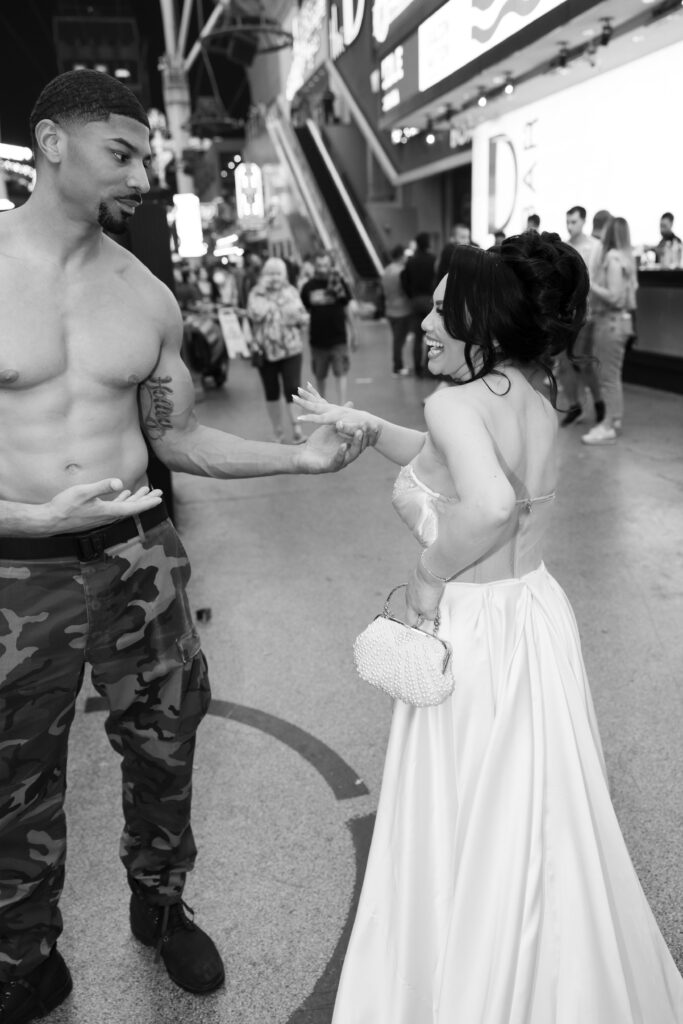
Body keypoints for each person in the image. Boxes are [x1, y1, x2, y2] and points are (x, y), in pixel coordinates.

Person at [0, 69, 371, 1024]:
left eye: (146, 155)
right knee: (16, 771)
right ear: (49, 145)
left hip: (138, 557)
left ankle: (160, 909)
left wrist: (302, 463)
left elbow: (179, 440)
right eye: (120, 152)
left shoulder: (148, 297)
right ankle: (25, 953)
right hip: (18, 571)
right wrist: (26, 520)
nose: (141, 173)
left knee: (163, 747)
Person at [294, 231, 683, 1022]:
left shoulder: (454, 402)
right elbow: (444, 464)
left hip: (471, 628)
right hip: (532, 617)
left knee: (465, 810)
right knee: (541, 809)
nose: (427, 324)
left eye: (444, 311)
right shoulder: (529, 395)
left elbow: (487, 506)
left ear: (489, 321)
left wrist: (427, 577)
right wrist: (362, 420)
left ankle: (466, 976)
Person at [582, 216, 638, 445]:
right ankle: (614, 420)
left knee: (608, 378)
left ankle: (608, 425)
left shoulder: (614, 260)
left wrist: (591, 284)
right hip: (619, 324)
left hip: (610, 323)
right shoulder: (626, 259)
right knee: (613, 376)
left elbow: (614, 296)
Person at [246, 256, 310, 443]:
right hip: (265, 351)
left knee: (293, 388)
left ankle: (297, 428)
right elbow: (255, 313)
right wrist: (268, 296)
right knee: (271, 390)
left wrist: (298, 316)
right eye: (270, 273)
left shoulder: (291, 291)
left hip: (291, 349)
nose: (274, 277)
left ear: (284, 274)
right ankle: (277, 431)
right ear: (264, 275)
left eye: (278, 273)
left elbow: (299, 315)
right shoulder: (256, 293)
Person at [556, 205, 605, 426]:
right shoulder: (564, 247)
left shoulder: (596, 247)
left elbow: (599, 281)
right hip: (566, 313)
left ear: (583, 221)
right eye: (568, 222)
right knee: (564, 361)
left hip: (588, 314)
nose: (570, 226)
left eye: (574, 222)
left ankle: (598, 401)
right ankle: (575, 404)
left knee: (583, 360)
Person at [300, 252, 353, 404]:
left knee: (341, 372)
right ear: (314, 266)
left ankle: (343, 406)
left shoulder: (339, 283)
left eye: (325, 265)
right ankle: (322, 404)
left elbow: (346, 308)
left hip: (338, 338)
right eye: (319, 265)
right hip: (317, 341)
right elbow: (304, 310)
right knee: (319, 375)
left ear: (330, 265)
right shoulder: (308, 287)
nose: (322, 269)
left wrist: (354, 332)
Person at [401, 232, 436, 377]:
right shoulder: (433, 259)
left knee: (417, 336)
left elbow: (404, 279)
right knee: (432, 336)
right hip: (429, 299)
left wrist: (411, 295)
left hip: (415, 300)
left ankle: (417, 369)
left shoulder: (411, 260)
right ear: (427, 243)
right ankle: (429, 367)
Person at [379, 245, 412, 377]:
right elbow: (405, 289)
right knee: (399, 340)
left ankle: (398, 365)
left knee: (396, 339)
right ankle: (397, 366)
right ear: (401, 256)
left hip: (390, 308)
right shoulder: (401, 271)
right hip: (402, 309)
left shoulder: (386, 270)